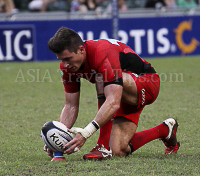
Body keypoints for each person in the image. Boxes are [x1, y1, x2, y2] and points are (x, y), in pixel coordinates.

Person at [45, 27, 180, 160]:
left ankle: (102, 146)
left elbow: (113, 101)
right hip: (118, 91)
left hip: (147, 83)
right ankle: (165, 130)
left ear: (81, 50)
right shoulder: (68, 67)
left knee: (101, 77)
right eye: (61, 60)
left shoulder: (102, 52)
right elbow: (70, 106)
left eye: (68, 58)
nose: (65, 64)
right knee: (119, 149)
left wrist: (86, 133)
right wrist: (57, 135)